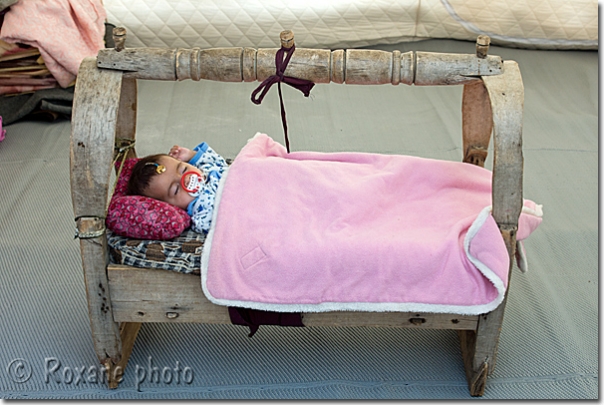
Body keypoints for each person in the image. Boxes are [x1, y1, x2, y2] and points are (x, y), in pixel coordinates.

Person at [127, 142, 228, 233]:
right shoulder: (201, 211)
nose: (185, 179)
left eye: (184, 169)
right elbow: (221, 225)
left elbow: (217, 160)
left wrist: (190, 155)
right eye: (176, 190)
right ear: (172, 206)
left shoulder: (206, 168)